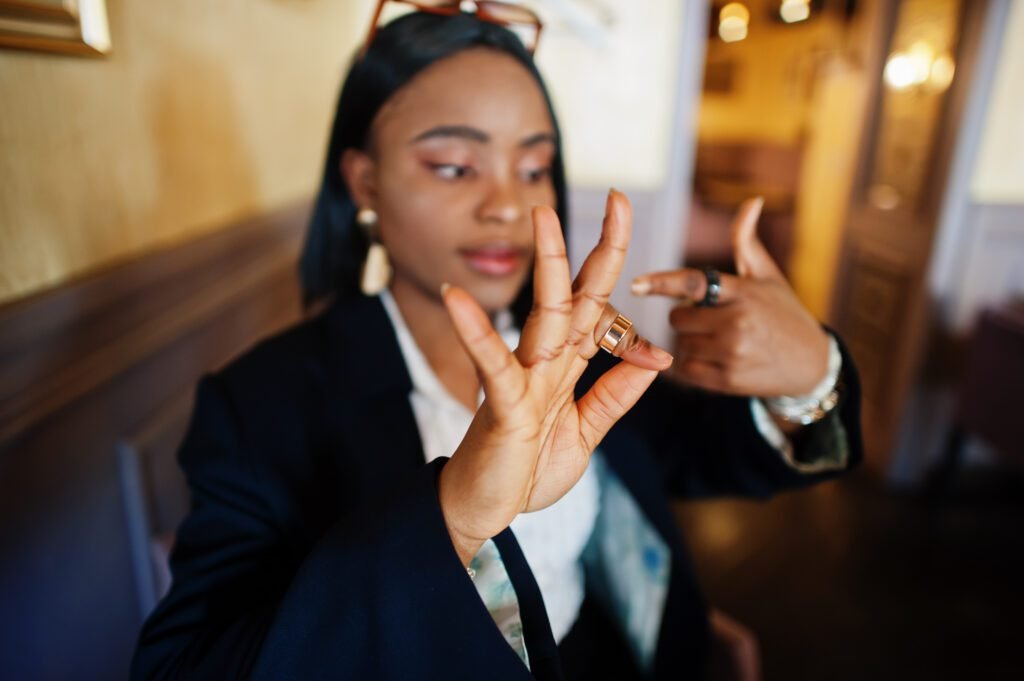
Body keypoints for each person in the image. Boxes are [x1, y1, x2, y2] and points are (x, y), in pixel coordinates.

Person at [131, 4, 861, 680]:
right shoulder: (263, 404)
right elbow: (185, 665)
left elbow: (713, 450)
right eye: (454, 165)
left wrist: (809, 373)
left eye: (534, 167)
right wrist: (451, 514)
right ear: (364, 182)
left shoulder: (580, 356)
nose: (509, 204)